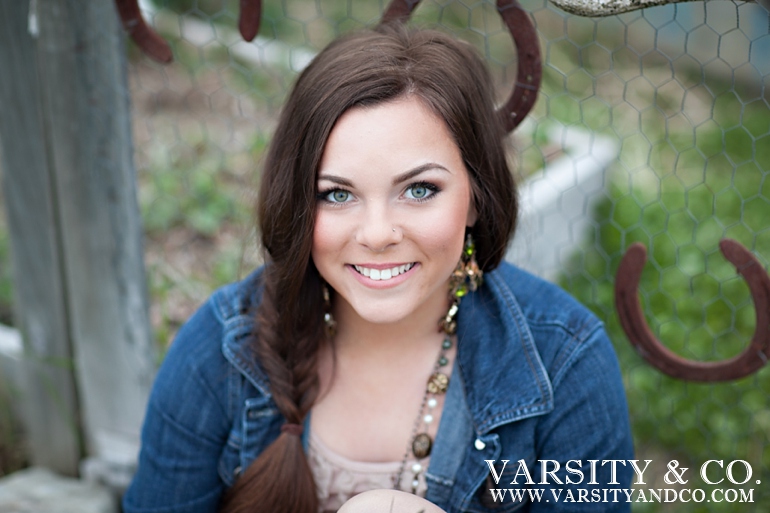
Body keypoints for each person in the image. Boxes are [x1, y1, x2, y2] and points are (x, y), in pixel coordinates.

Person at [122, 23, 634, 513]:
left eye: (419, 190)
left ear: (476, 197)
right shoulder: (220, 350)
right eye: (337, 194)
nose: (376, 234)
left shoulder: (565, 361)